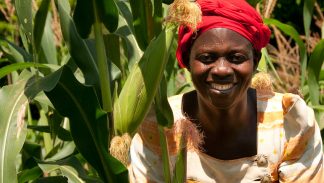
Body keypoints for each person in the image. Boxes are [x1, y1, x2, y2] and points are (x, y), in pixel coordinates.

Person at [128, 0, 324, 182]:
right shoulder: (161, 128)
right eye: (207, 58)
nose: (222, 69)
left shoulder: (289, 123)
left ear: (255, 61)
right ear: (187, 61)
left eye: (236, 58)